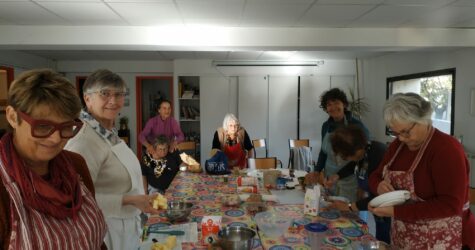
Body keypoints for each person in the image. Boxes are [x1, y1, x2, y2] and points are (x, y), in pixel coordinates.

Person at [0, 69, 107, 249]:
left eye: (66, 127)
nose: (56, 138)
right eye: (43, 126)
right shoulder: (3, 190)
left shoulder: (76, 165)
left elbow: (95, 240)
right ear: (12, 116)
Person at [65, 69, 160, 250]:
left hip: (125, 227)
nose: (113, 101)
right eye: (105, 94)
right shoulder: (84, 140)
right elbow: (75, 200)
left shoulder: (108, 133)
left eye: (119, 94)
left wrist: (139, 198)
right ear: (87, 98)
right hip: (106, 233)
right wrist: (130, 200)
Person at [368, 93, 475, 249]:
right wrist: (378, 186)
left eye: (405, 132)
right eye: (396, 133)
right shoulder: (397, 146)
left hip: (443, 239)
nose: (402, 139)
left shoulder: (446, 150)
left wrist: (396, 211)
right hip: (404, 237)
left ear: (424, 119)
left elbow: (451, 205)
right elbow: (375, 176)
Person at [325, 125, 390, 244]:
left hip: (390, 211)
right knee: (381, 240)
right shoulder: (364, 150)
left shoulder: (378, 154)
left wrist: (349, 206)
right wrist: (337, 176)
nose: (347, 158)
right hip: (379, 211)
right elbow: (354, 164)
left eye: (347, 156)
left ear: (359, 147)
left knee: (388, 241)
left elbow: (378, 198)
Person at [305, 88, 369, 202]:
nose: (333, 107)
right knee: (331, 211)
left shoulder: (356, 126)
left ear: (344, 104)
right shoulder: (326, 126)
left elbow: (363, 157)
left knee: (347, 213)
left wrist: (363, 186)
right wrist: (317, 170)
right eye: (329, 105)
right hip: (329, 178)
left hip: (349, 179)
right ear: (326, 109)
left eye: (336, 103)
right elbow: (323, 152)